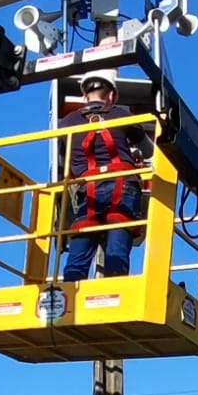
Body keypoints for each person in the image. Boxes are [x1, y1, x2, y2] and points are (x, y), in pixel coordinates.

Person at [57, 69, 148, 279]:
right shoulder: (121, 116)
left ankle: (70, 290)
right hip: (122, 186)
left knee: (83, 234)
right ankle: (115, 285)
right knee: (118, 231)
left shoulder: (67, 123)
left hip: (88, 192)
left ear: (85, 96)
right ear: (112, 95)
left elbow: (65, 160)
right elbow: (149, 150)